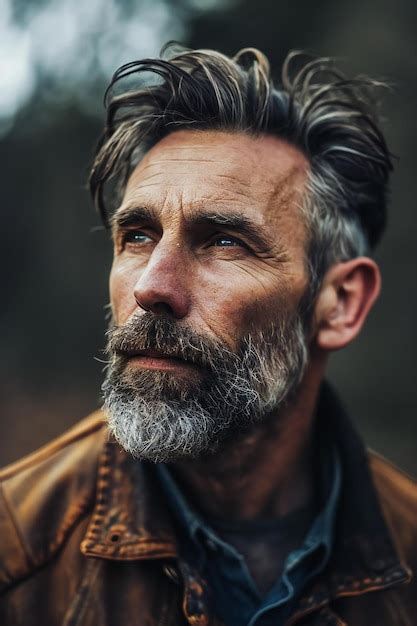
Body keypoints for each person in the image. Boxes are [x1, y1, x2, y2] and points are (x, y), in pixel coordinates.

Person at [0, 45, 416, 626]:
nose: (151, 287)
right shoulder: (17, 556)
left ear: (340, 303)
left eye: (224, 241)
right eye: (138, 236)